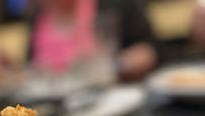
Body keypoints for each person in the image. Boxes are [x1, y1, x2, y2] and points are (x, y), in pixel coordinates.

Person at [29, 0, 158, 80]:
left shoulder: (114, 5)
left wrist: (120, 64)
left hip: (115, 103)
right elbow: (31, 69)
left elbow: (152, 49)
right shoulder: (36, 19)